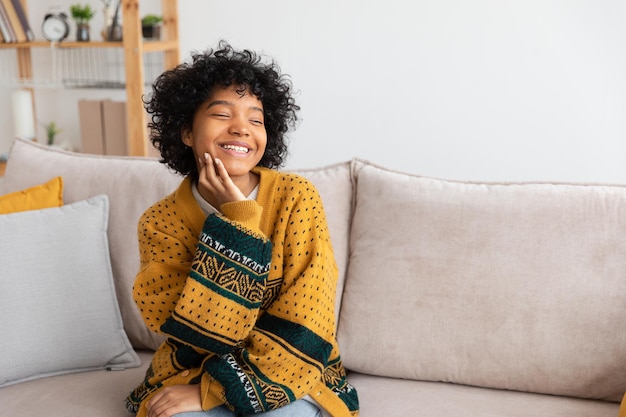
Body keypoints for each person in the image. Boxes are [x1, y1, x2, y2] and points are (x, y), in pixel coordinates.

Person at [125, 41, 359, 417]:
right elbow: (192, 331)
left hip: (291, 372)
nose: (241, 129)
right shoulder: (160, 223)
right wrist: (238, 225)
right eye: (222, 114)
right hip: (191, 370)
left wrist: (212, 392)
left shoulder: (296, 198)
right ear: (186, 131)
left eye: (256, 119)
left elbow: (308, 318)